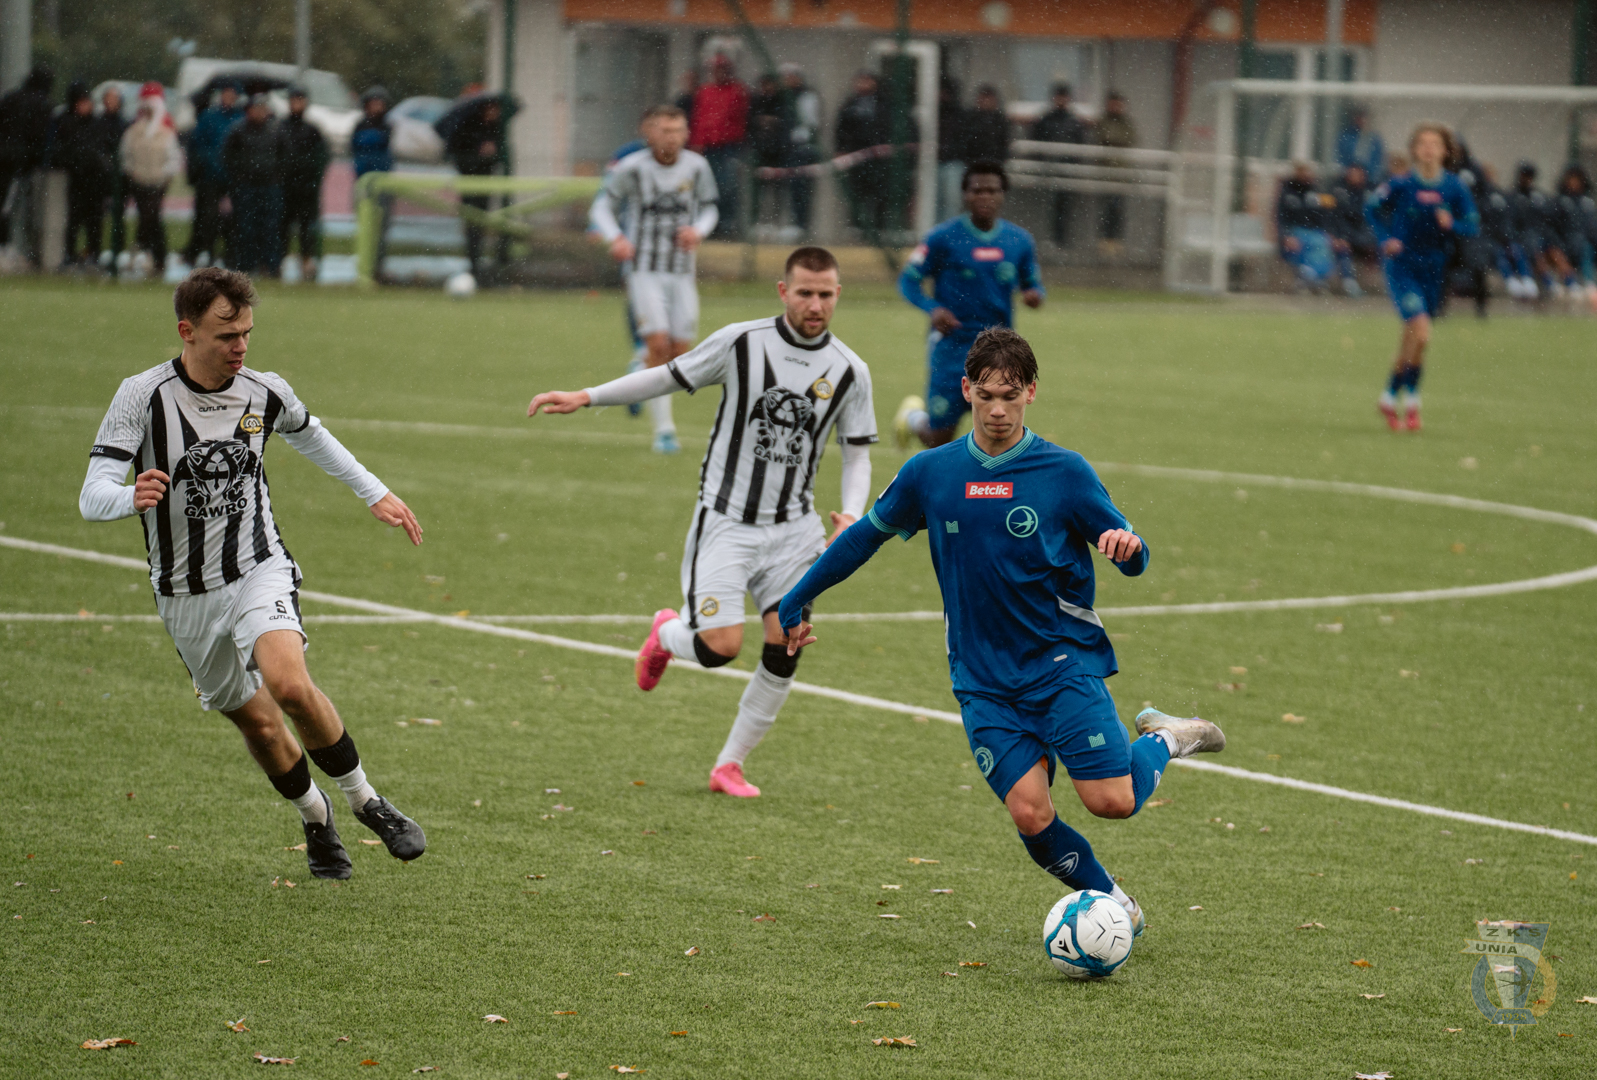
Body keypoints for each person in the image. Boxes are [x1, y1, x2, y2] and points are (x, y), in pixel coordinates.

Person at [776, 327, 1226, 937]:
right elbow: (865, 536)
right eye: (985, 394)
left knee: (1112, 802)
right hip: (983, 679)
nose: (996, 409)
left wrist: (1128, 550)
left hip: (1061, 664)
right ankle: (1113, 903)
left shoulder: (1065, 472)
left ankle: (1169, 739)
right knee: (1030, 812)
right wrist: (799, 595)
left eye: (1009, 396)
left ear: (1031, 393)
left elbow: (1131, 551)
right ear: (965, 389)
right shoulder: (931, 472)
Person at [77, 268, 427, 880]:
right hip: (184, 593)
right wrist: (127, 495)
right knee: (260, 724)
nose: (240, 346)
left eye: (246, 333)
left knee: (289, 685)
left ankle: (366, 800)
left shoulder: (264, 392)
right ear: (187, 332)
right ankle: (317, 818)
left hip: (257, 565)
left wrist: (374, 492)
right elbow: (92, 494)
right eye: (225, 334)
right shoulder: (143, 396)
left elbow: (313, 437)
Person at [526, 247, 878, 798]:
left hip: (795, 530)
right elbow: (664, 378)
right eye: (805, 292)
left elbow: (857, 454)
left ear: (838, 294)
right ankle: (666, 633)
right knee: (719, 648)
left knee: (786, 643)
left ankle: (730, 764)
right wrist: (587, 397)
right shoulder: (741, 343)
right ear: (783, 292)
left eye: (826, 293)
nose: (815, 304)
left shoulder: (851, 371)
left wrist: (853, 514)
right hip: (728, 523)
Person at [589, 104, 719, 455]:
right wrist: (615, 237)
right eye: (664, 130)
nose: (671, 137)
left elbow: (710, 207)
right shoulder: (633, 169)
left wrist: (699, 230)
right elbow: (601, 206)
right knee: (660, 347)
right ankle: (664, 431)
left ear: (686, 134)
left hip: (682, 272)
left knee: (680, 353)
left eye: (678, 130)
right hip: (644, 270)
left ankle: (638, 372)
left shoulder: (697, 166)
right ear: (649, 133)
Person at [894, 160, 1043, 449]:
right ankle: (913, 419)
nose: (985, 197)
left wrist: (1034, 295)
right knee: (938, 440)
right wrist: (932, 308)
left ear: (1003, 195)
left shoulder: (1019, 241)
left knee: (999, 433)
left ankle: (983, 492)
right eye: (977, 191)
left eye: (992, 191)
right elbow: (908, 281)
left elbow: (1033, 284)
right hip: (951, 346)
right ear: (965, 195)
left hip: (998, 351)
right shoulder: (942, 238)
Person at [1366, 123, 1478, 432]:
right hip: (1403, 266)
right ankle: (1412, 403)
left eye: (1435, 144)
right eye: (1422, 143)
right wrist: (1385, 238)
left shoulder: (1455, 187)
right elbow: (1372, 208)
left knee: (1414, 339)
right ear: (1414, 149)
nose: (1428, 149)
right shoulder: (1401, 184)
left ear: (1445, 151)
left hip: (1434, 269)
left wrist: (1451, 224)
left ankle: (1389, 397)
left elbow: (1472, 225)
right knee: (1422, 332)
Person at [119, 82, 180, 274]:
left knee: (150, 216)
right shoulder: (133, 132)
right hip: (138, 181)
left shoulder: (166, 133)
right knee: (150, 219)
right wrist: (131, 172)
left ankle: (143, 249)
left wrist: (164, 176)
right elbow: (125, 155)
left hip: (158, 182)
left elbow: (173, 158)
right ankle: (153, 254)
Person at [222, 94, 287, 276]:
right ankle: (246, 265)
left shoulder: (276, 130)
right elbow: (227, 157)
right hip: (246, 186)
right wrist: (239, 176)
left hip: (270, 185)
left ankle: (271, 265)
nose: (260, 112)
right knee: (245, 227)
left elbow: (286, 156)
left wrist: (276, 175)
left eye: (263, 108)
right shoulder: (237, 131)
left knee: (271, 227)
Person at [51, 82, 114, 267]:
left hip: (94, 181)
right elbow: (61, 151)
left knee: (94, 221)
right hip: (77, 180)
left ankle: (93, 254)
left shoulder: (96, 123)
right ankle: (70, 255)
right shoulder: (65, 122)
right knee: (74, 220)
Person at [183, 81, 243, 268]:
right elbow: (197, 146)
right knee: (207, 219)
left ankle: (230, 255)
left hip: (234, 180)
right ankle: (206, 253)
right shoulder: (209, 117)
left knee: (233, 221)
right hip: (210, 178)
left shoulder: (241, 119)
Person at [0, 65, 57, 261]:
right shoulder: (42, 104)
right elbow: (38, 137)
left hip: (7, 157)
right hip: (17, 162)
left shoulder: (11, 98)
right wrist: (33, 161)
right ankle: (6, 247)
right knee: (9, 205)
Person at [445, 97, 506, 273]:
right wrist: (479, 154)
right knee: (471, 221)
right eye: (491, 109)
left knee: (482, 222)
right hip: (470, 182)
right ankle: (472, 262)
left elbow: (499, 156)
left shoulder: (496, 129)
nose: (494, 113)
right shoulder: (467, 129)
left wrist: (492, 155)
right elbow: (460, 157)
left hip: (485, 183)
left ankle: (478, 262)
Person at [691, 56, 748, 240]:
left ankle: (727, 224)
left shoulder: (737, 91)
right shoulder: (705, 91)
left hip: (729, 146)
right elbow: (699, 119)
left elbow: (741, 119)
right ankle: (709, 225)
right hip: (708, 147)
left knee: (728, 186)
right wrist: (697, 142)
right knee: (708, 186)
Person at [1029, 83, 1092, 247]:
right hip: (1047, 170)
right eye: (1059, 97)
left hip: (1066, 170)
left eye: (1064, 97)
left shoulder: (1073, 121)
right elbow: (1035, 141)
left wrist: (1073, 164)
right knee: (1049, 205)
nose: (1061, 101)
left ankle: (1061, 240)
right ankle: (1050, 239)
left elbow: (1080, 145)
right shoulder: (1045, 120)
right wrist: (1041, 161)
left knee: (1063, 205)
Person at [279, 86, 329, 281]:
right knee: (282, 227)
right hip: (286, 188)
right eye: (294, 100)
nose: (297, 104)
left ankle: (307, 261)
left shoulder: (312, 130)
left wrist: (312, 177)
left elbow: (322, 157)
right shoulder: (281, 127)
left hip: (307, 189)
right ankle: (280, 261)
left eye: (300, 100)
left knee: (307, 228)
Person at [834, 71, 889, 233]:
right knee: (857, 190)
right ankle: (856, 225)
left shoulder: (884, 103)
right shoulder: (851, 103)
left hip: (878, 157)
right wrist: (840, 149)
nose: (862, 85)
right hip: (856, 155)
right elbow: (841, 128)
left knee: (879, 190)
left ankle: (879, 226)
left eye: (866, 81)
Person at [352, 86, 395, 275]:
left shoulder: (387, 127)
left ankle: (377, 268)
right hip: (364, 183)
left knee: (380, 229)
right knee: (365, 228)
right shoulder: (360, 127)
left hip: (381, 184)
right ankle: (365, 268)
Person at [1275, 161, 1336, 292]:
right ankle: (1310, 278)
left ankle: (1311, 277)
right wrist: (1285, 235)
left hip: (1315, 231)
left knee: (1323, 243)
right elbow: (1281, 218)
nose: (1307, 176)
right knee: (1303, 244)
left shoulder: (1317, 192)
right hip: (1294, 231)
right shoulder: (1287, 193)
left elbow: (1325, 215)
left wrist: (1329, 232)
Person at [1547, 164, 1597, 310]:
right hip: (1565, 244)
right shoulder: (1559, 202)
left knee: (1585, 246)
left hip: (1587, 245)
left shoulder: (1588, 203)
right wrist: (1558, 244)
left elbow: (1592, 228)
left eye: (1577, 179)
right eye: (1571, 179)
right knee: (1577, 247)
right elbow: (1551, 228)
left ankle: (1589, 283)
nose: (1574, 183)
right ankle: (1577, 283)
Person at [780, 63, 821, 237]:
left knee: (801, 187)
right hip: (786, 147)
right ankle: (789, 223)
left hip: (802, 148)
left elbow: (811, 123)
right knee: (786, 186)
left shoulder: (807, 97)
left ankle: (800, 224)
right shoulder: (782, 97)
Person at [1506, 161, 1555, 302]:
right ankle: (1538, 281)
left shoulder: (1539, 197)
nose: (1526, 179)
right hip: (1519, 239)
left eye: (1529, 176)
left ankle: (1566, 282)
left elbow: (1546, 222)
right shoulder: (1513, 197)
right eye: (1524, 175)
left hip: (1538, 238)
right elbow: (1510, 222)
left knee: (1551, 248)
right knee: (1526, 249)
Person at [1096, 92, 1137, 253]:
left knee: (1118, 208)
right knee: (1106, 208)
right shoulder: (1103, 121)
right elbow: (1103, 136)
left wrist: (1112, 139)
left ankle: (1116, 240)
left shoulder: (1126, 123)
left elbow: (1129, 139)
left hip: (1121, 174)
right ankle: (1104, 240)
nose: (1115, 107)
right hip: (1106, 173)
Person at [1327, 162, 1375, 296]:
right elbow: (1332, 217)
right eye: (1352, 173)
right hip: (1345, 235)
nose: (1354, 176)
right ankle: (1349, 283)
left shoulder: (1370, 192)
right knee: (1342, 248)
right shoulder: (1338, 191)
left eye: (1358, 174)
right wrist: (1338, 236)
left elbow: (1372, 218)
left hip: (1364, 236)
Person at [94, 86, 129, 266]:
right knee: (96, 216)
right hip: (100, 178)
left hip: (118, 179)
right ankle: (95, 251)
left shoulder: (124, 123)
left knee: (118, 216)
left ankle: (118, 252)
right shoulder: (98, 123)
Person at [934, 77, 969, 223]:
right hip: (932, 163)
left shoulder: (960, 115)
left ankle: (947, 233)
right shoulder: (931, 114)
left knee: (951, 201)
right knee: (932, 201)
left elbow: (966, 140)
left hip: (953, 162)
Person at [964, 84, 1010, 164]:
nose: (986, 102)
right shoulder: (970, 118)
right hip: (972, 160)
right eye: (984, 99)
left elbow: (1003, 141)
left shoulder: (999, 119)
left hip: (994, 160)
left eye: (989, 99)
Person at [1336, 108, 1385, 181]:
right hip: (1348, 178)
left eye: (1363, 118)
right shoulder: (1346, 136)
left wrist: (1369, 175)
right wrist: (1348, 172)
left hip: (1369, 179)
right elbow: (1340, 156)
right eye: (1358, 118)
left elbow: (1378, 160)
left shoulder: (1375, 139)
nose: (1361, 121)